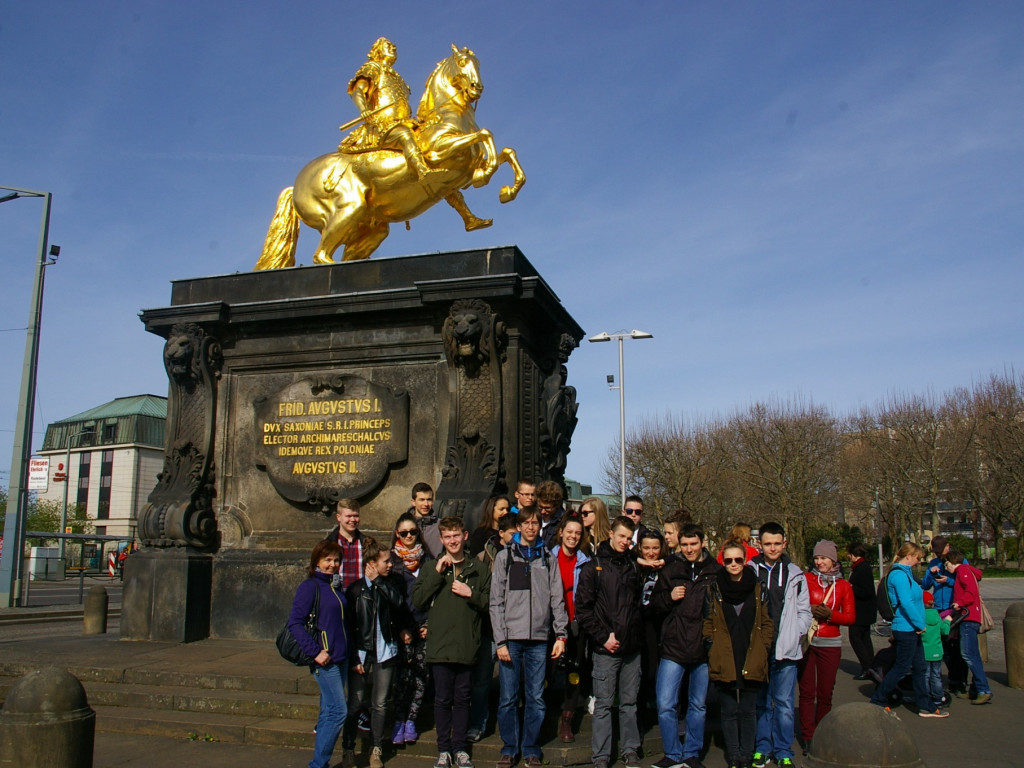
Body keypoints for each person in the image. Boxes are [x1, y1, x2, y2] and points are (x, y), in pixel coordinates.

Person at [489, 505, 568, 768]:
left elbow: (557, 598)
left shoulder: (548, 558)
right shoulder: (504, 557)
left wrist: (560, 634)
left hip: (539, 639)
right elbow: (496, 602)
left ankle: (531, 748)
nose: (532, 527)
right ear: (519, 526)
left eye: (536, 523)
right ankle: (509, 747)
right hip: (511, 638)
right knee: (508, 697)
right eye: (527, 523)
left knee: (536, 697)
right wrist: (500, 640)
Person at [413, 517, 492, 768]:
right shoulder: (431, 567)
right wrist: (437, 575)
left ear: (465, 536)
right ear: (441, 540)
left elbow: (492, 603)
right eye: (447, 537)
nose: (453, 541)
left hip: (467, 644)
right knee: (442, 699)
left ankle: (460, 748)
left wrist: (472, 594)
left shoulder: (478, 569)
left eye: (456, 535)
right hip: (440, 646)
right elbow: (418, 600)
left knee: (462, 699)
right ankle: (443, 750)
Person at [650, 522, 722, 768]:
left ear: (702, 543)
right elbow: (655, 605)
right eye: (685, 545)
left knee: (698, 705)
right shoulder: (671, 569)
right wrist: (668, 598)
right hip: (674, 645)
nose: (689, 549)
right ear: (679, 545)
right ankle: (672, 752)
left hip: (702, 647)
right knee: (665, 703)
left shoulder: (715, 571)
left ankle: (691, 753)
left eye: (693, 544)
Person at [575, 516, 644, 768]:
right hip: (606, 648)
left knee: (629, 703)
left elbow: (637, 606)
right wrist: (604, 637)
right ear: (611, 535)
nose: (626, 542)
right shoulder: (594, 567)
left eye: (629, 538)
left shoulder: (634, 566)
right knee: (604, 704)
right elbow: (583, 609)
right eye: (622, 536)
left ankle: (630, 749)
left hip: (631, 647)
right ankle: (601, 755)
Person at [341, 537, 410, 768]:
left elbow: (399, 603)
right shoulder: (355, 591)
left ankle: (376, 748)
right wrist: (352, 657)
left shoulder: (390, 584)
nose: (390, 565)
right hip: (361, 653)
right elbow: (349, 628)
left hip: (385, 651)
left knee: (380, 703)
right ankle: (348, 748)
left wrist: (379, 581)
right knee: (355, 702)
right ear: (371, 563)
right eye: (385, 561)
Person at [704, 540, 773, 768]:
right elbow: (707, 621)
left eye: (738, 560)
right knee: (729, 710)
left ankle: (746, 753)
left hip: (751, 654)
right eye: (728, 560)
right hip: (724, 655)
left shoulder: (758, 587)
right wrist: (711, 646)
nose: (733, 564)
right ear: (723, 562)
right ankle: (733, 755)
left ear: (745, 561)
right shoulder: (714, 588)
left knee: (747, 709)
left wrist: (764, 647)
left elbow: (767, 621)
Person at [749, 522, 811, 768]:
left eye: (777, 543)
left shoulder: (795, 573)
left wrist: (796, 633)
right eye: (768, 544)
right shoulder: (750, 569)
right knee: (761, 702)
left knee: (784, 703)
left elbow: (804, 610)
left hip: (786, 648)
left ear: (784, 543)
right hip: (760, 649)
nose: (773, 548)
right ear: (759, 545)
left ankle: (783, 750)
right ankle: (762, 748)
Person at [288, 540, 352, 768]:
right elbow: (295, 623)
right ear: (316, 561)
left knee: (327, 712)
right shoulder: (310, 587)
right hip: (325, 660)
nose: (332, 565)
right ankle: (318, 765)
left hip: (341, 657)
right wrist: (316, 652)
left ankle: (319, 764)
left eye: (336, 560)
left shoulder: (335, 587)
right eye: (327, 560)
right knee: (338, 712)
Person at [339, 36, 435, 179]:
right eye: (388, 45)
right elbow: (358, 90)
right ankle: (422, 171)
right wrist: (364, 109)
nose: (393, 48)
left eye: (393, 46)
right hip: (382, 126)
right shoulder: (373, 68)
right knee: (404, 135)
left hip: (403, 122)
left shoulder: (397, 77)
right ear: (377, 51)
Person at [869, 542, 946, 717]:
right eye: (918, 558)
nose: (919, 561)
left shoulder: (907, 574)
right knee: (902, 667)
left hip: (911, 627)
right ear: (909, 556)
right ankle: (879, 699)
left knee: (919, 667)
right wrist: (920, 624)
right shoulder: (899, 576)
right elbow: (906, 602)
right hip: (906, 627)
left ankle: (924, 704)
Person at [797, 540, 855, 752]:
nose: (819, 562)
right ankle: (807, 735)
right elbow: (794, 605)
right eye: (817, 558)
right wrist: (808, 609)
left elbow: (850, 617)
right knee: (806, 691)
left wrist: (832, 615)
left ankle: (821, 731)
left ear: (833, 560)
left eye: (824, 558)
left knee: (825, 692)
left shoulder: (844, 586)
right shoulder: (805, 579)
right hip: (807, 641)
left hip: (830, 641)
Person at [468, 513, 519, 742]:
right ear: (501, 534)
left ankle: (511, 729)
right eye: (513, 534)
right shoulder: (482, 557)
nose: (518, 538)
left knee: (514, 685)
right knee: (481, 681)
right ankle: (478, 723)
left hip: (515, 628)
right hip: (489, 628)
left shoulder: (526, 556)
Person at [389, 513, 430, 746]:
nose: (408, 536)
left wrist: (429, 623)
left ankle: (412, 720)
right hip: (402, 628)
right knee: (402, 677)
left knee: (420, 675)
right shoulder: (391, 561)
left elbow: (436, 594)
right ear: (397, 534)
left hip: (423, 625)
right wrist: (402, 627)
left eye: (413, 532)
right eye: (404, 532)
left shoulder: (428, 560)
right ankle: (398, 720)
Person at [551, 513, 591, 743]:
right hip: (551, 623)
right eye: (570, 532)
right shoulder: (548, 558)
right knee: (548, 670)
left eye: (577, 533)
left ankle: (567, 718)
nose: (573, 536)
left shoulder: (585, 561)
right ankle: (544, 714)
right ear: (561, 533)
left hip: (575, 622)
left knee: (574, 671)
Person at [942, 548, 992, 705]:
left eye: (946, 563)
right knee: (971, 654)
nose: (946, 567)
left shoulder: (963, 570)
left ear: (952, 562)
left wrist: (959, 603)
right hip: (969, 616)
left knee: (968, 654)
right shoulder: (965, 571)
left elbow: (970, 593)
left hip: (968, 617)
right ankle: (976, 689)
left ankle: (983, 689)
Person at [922, 536, 968, 697]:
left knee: (955, 646)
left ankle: (959, 681)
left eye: (941, 551)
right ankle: (952, 679)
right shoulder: (934, 563)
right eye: (936, 552)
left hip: (953, 607)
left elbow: (965, 583)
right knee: (944, 646)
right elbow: (926, 584)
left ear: (948, 547)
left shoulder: (960, 561)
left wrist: (948, 580)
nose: (939, 555)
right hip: (938, 608)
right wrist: (931, 574)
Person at [637, 529, 667, 720]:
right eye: (646, 548)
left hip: (660, 623)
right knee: (642, 671)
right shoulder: (635, 565)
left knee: (655, 670)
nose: (651, 552)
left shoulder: (667, 567)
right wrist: (641, 561)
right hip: (639, 623)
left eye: (655, 548)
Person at [846, 543, 877, 679]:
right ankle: (871, 665)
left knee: (855, 637)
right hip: (864, 611)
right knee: (864, 638)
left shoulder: (862, 569)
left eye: (849, 553)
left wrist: (850, 587)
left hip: (861, 611)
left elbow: (866, 592)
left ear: (854, 554)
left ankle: (867, 666)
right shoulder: (862, 567)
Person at [325, 498, 367, 591]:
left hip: (361, 598)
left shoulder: (367, 543)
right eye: (348, 516)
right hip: (337, 596)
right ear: (338, 517)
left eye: (356, 516)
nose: (352, 519)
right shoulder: (328, 544)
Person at [921, 591, 950, 712]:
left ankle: (926, 697)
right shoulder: (937, 616)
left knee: (925, 676)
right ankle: (938, 698)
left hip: (925, 651)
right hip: (937, 651)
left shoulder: (921, 617)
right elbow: (945, 631)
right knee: (936, 676)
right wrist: (948, 621)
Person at [410, 482, 442, 558]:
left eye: (429, 500)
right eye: (422, 500)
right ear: (413, 502)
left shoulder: (440, 525)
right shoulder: (404, 524)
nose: (426, 504)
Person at [536, 480, 566, 548]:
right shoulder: (533, 516)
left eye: (547, 508)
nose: (543, 511)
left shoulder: (563, 520)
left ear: (556, 505)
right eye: (540, 507)